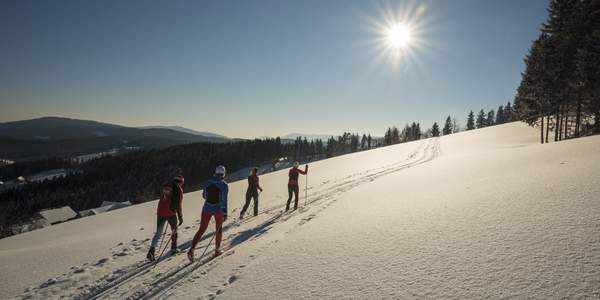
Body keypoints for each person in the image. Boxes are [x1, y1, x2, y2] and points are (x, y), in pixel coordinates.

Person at [188, 165, 229, 261]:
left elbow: (204, 195)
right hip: (218, 209)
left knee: (202, 229)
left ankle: (191, 249)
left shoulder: (207, 182)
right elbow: (224, 200)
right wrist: (225, 213)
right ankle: (217, 250)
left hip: (206, 208)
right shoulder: (224, 185)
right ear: (223, 174)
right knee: (218, 229)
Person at [147, 175, 185, 262]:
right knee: (174, 230)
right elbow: (178, 204)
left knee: (158, 233)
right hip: (171, 213)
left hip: (160, 212)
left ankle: (151, 251)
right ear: (181, 182)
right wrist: (180, 217)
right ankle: (174, 248)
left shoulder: (166, 186)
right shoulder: (178, 189)